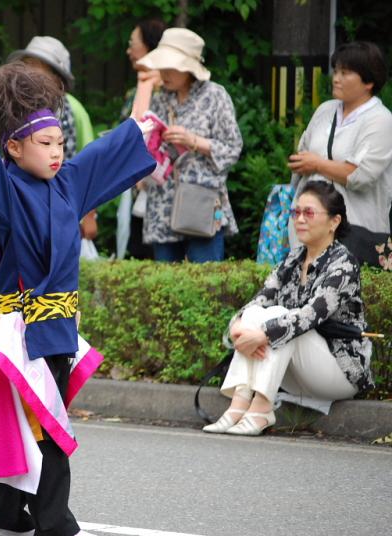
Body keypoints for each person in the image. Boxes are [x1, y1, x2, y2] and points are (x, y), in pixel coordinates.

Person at [0, 62, 155, 536]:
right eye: (45, 144)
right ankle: (56, 523)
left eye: (60, 143)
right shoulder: (9, 191)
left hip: (57, 330)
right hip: (23, 332)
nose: (57, 153)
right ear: (13, 147)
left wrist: (140, 109)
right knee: (50, 428)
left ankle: (12, 516)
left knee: (26, 421)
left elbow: (108, 151)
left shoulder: (69, 183)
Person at [205, 181, 373, 436]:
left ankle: (261, 410)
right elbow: (260, 299)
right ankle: (239, 405)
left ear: (334, 222)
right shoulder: (293, 258)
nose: (299, 220)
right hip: (300, 372)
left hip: (340, 371)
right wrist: (238, 325)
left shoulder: (344, 264)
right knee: (255, 314)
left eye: (309, 213)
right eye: (296, 213)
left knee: (282, 318)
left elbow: (309, 316)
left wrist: (262, 334)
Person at [137, 28, 243, 262]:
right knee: (164, 288)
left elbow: (233, 148)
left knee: (206, 287)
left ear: (189, 68)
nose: (164, 72)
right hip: (162, 203)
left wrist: (193, 141)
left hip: (200, 203)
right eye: (161, 66)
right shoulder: (160, 98)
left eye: (171, 66)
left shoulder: (215, 96)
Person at [288, 41, 392, 267]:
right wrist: (301, 163)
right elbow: (303, 152)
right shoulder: (325, 110)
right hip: (309, 228)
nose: (336, 78)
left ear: (369, 81)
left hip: (358, 231)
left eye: (345, 73)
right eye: (336, 71)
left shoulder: (381, 120)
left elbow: (360, 175)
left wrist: (315, 163)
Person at [8, 35, 100, 255]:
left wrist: (89, 215)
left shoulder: (73, 109)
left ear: (58, 77)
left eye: (40, 68)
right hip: (22, 203)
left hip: (63, 203)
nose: (31, 74)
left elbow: (88, 163)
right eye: (28, 66)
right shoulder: (16, 106)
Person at [118, 18, 166, 260]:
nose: (128, 50)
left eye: (132, 43)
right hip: (137, 186)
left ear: (150, 47)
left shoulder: (164, 89)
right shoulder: (138, 87)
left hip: (158, 185)